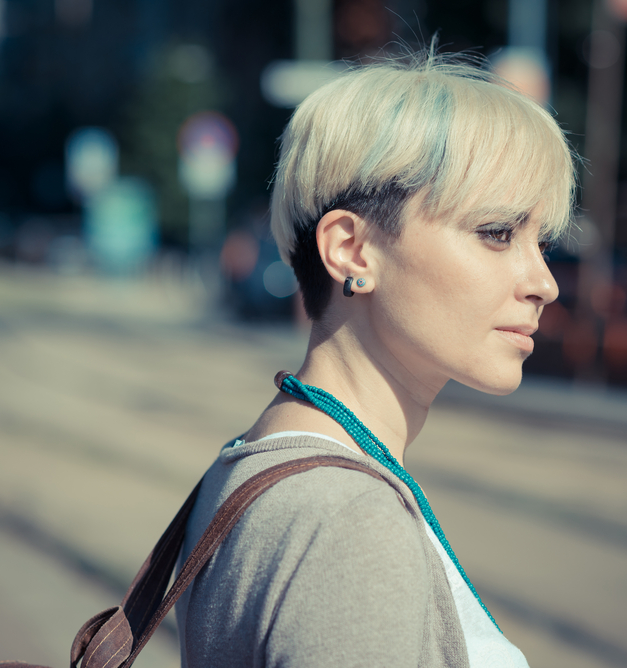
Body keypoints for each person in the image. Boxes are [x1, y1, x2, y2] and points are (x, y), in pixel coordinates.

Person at [175, 46, 575, 667]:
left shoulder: (250, 459)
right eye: (497, 233)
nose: (543, 282)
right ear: (353, 250)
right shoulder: (350, 521)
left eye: (540, 241)